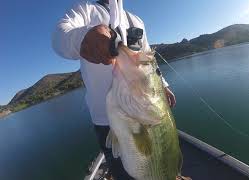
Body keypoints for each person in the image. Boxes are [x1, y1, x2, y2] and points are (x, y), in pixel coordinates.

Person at [52, 0, 177, 179]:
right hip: (104, 120)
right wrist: (83, 37)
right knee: (121, 172)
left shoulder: (136, 21)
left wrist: (163, 85)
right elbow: (59, 36)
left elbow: (148, 59)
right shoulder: (86, 10)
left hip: (139, 112)